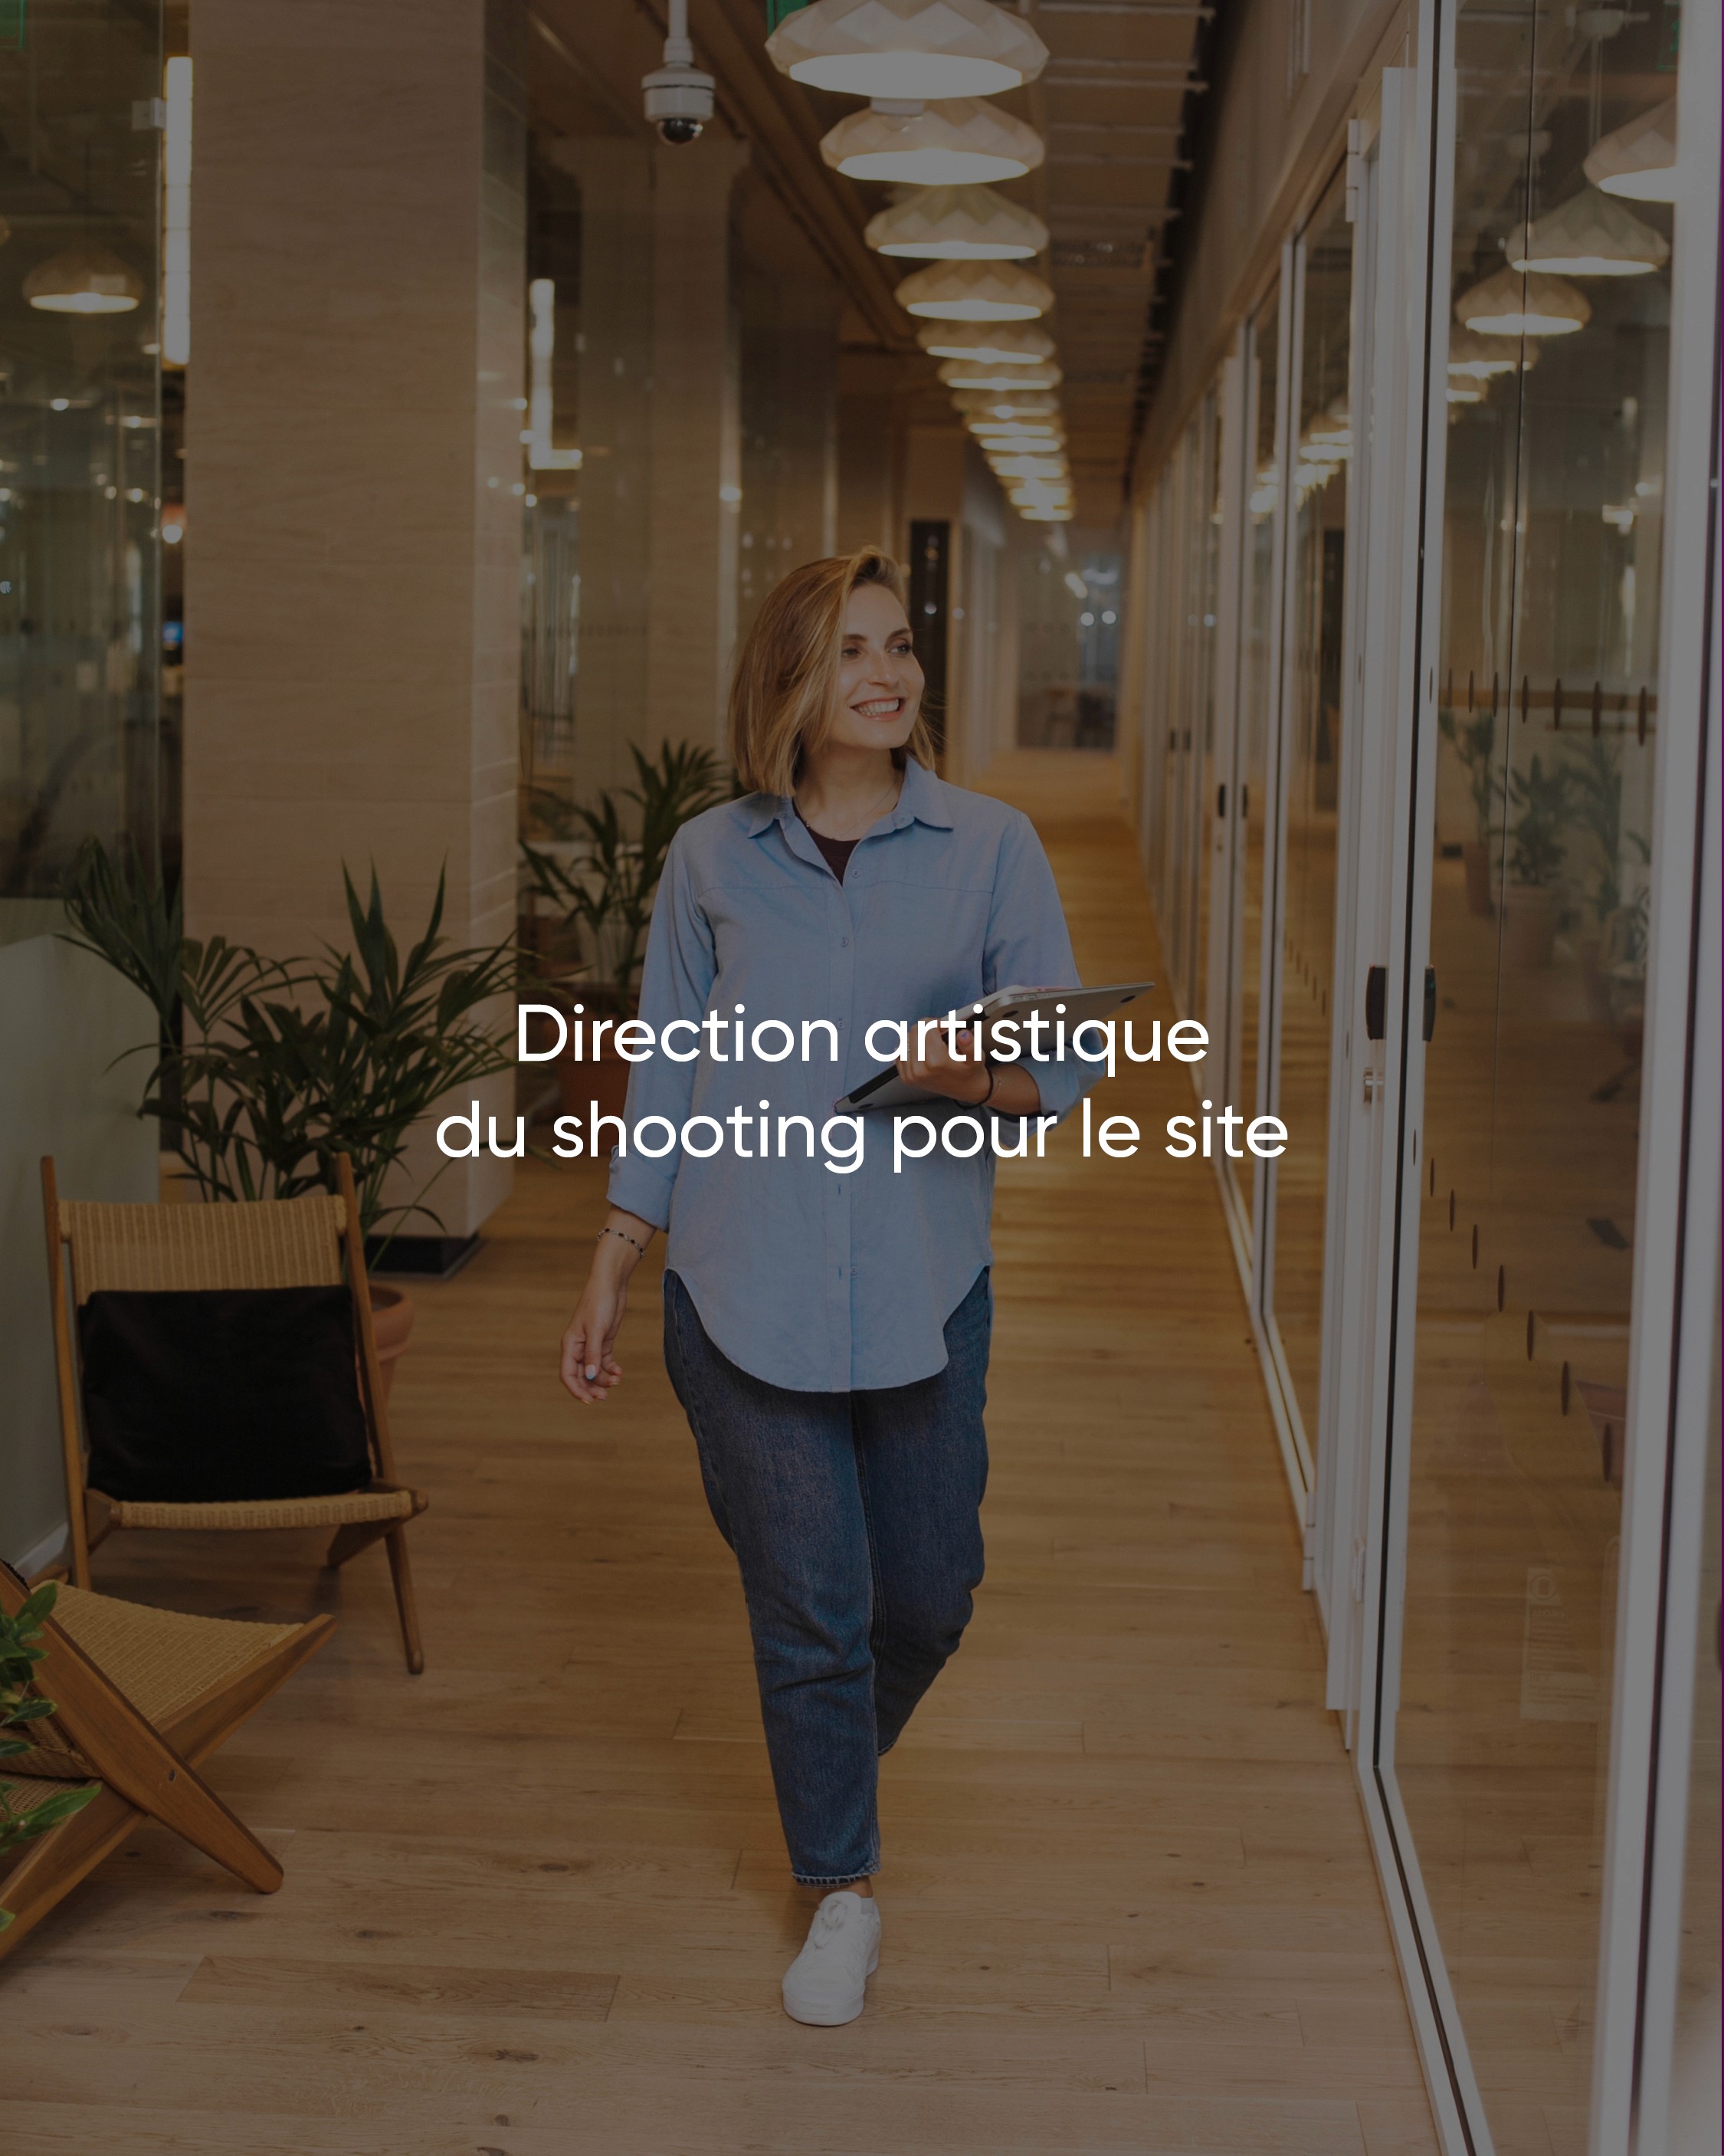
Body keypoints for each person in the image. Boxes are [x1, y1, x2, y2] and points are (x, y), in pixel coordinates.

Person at [559, 547, 1092, 2025]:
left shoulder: (992, 845)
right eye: (851, 649)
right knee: (813, 1609)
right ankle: (840, 1885)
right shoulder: (711, 857)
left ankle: (822, 1769)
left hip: (926, 1285)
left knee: (925, 1597)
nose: (888, 672)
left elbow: (1061, 1070)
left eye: (901, 644)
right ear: (789, 681)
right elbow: (665, 1058)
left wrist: (967, 1069)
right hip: (743, 1285)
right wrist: (614, 1253)